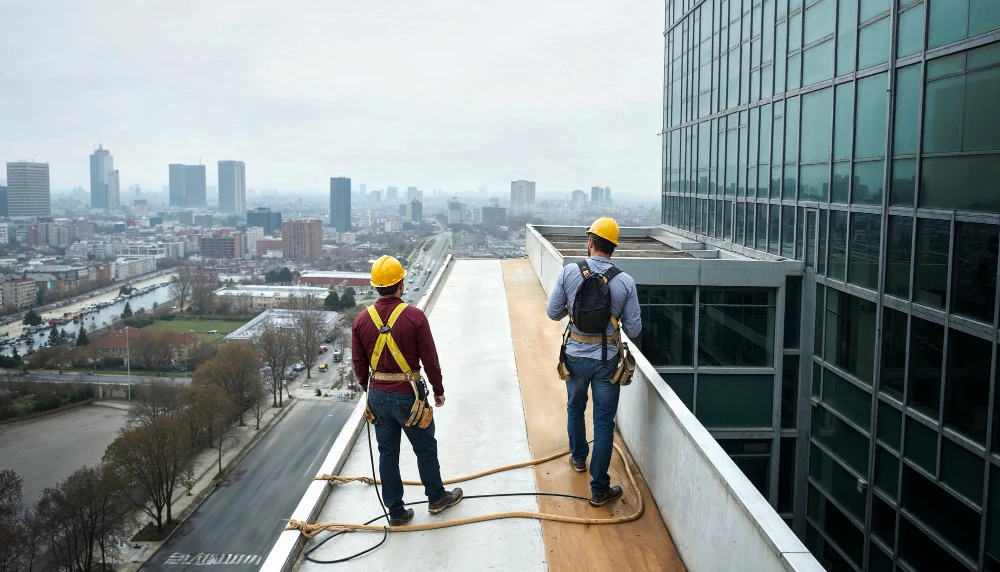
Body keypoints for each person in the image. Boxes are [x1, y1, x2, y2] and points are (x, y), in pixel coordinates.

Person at [352, 255, 463, 526]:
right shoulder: (414, 317)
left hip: (377, 395)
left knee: (387, 453)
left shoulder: (361, 320)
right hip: (409, 397)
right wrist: (438, 389)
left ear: (377, 287)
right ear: (400, 284)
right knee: (424, 447)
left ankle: (396, 512)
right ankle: (436, 498)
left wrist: (372, 390)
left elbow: (358, 364)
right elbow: (430, 359)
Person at [545, 217, 641, 506]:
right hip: (606, 360)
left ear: (590, 243)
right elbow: (634, 329)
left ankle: (577, 459)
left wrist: (572, 312)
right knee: (603, 421)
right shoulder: (625, 281)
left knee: (575, 407)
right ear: (614, 248)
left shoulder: (570, 273)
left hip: (574, 354)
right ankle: (599, 489)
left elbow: (552, 313)